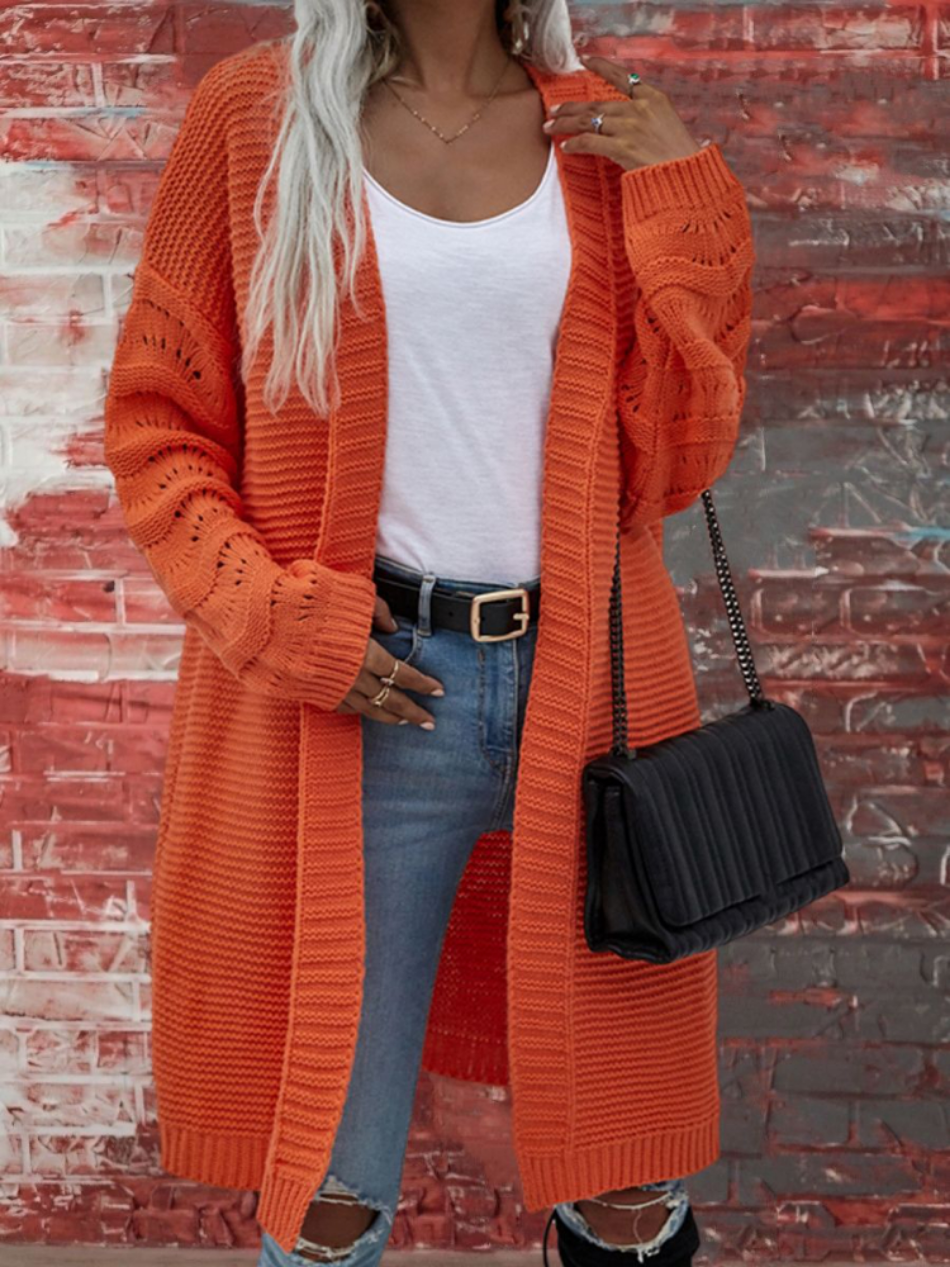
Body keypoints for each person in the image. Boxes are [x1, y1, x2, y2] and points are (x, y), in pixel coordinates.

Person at [102, 2, 755, 1265]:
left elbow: (673, 463)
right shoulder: (258, 117)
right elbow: (156, 427)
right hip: (367, 698)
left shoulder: (598, 130)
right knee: (330, 1184)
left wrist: (682, 194)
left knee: (626, 1190)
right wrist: (277, 620)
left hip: (593, 700)